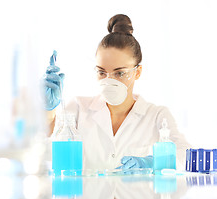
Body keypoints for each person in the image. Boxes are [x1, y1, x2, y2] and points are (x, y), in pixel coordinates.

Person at [44, 14, 191, 171]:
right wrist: (48, 110)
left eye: (119, 73)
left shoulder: (156, 115)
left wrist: (153, 162)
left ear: (137, 72)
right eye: (101, 72)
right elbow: (46, 150)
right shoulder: (79, 108)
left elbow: (185, 155)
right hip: (89, 196)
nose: (109, 80)